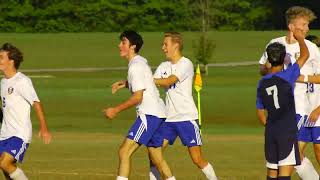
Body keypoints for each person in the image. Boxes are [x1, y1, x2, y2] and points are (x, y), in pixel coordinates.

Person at [103, 30, 175, 180]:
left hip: (149, 115)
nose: (119, 45)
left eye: (123, 42)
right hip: (158, 114)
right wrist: (126, 83)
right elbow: (146, 82)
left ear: (132, 46)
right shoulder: (141, 61)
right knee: (157, 158)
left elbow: (138, 97)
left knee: (124, 151)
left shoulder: (135, 66)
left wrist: (115, 110)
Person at [258, 6, 320, 179]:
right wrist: (267, 68)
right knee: (289, 157)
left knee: (288, 158)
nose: (307, 28)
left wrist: (303, 78)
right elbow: (262, 69)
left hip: (299, 109)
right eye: (304, 24)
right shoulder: (274, 44)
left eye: (308, 25)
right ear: (292, 26)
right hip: (279, 112)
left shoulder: (311, 48)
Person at [149, 32, 218, 180]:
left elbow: (168, 81)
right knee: (154, 154)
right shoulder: (163, 66)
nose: (163, 48)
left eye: (165, 44)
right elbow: (150, 84)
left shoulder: (186, 64)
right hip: (168, 119)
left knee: (197, 159)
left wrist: (149, 79)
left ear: (176, 45)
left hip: (187, 118)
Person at [0, 43, 52, 180]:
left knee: (5, 163)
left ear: (11, 61)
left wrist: (44, 128)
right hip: (4, 134)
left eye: (1, 57)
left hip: (19, 134)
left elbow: (36, 103)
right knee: (5, 170)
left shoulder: (22, 81)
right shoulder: (3, 82)